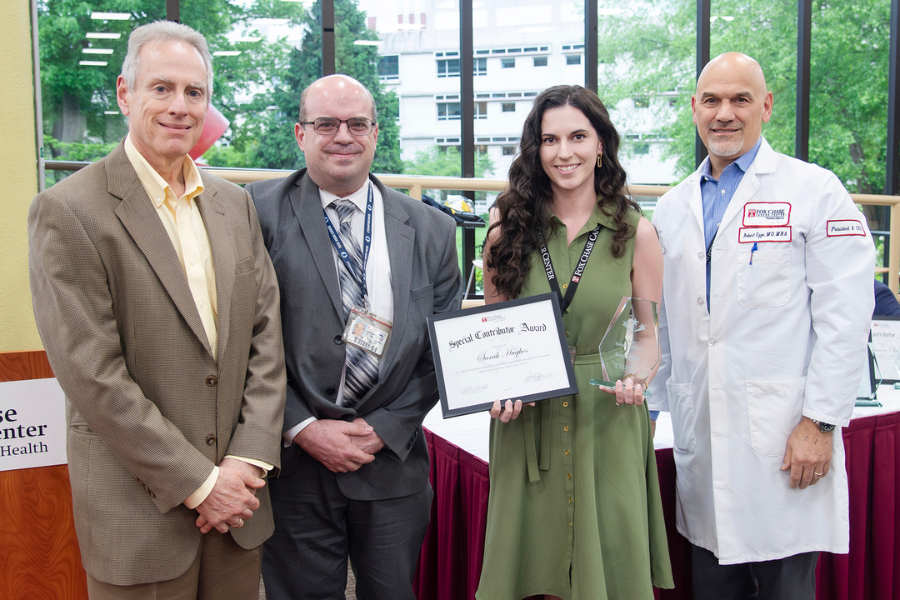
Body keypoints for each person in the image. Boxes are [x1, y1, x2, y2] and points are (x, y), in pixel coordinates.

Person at [28, 21, 286, 600]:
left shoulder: (234, 204)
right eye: (161, 88)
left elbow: (266, 340)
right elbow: (93, 375)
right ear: (125, 93)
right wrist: (200, 483)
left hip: (240, 507)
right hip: (138, 514)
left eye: (194, 92)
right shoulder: (68, 211)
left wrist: (247, 459)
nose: (180, 106)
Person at [649, 52, 875, 600]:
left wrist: (820, 424)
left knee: (786, 586)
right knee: (712, 583)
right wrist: (649, 411)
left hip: (785, 444)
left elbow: (845, 316)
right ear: (695, 111)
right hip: (702, 438)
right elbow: (663, 327)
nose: (725, 113)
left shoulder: (814, 190)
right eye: (712, 101)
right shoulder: (672, 207)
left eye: (740, 99)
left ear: (767, 107)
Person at [246, 74, 463, 600]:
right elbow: (241, 339)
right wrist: (301, 427)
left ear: (375, 132)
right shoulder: (254, 212)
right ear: (301, 134)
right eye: (326, 124)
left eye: (356, 123)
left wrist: (384, 428)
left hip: (390, 461)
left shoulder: (431, 228)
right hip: (294, 464)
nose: (342, 135)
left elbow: (442, 348)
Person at [476, 85, 674, 600]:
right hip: (526, 417)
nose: (564, 152)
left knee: (609, 572)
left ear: (601, 143)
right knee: (528, 570)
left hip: (607, 414)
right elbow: (490, 330)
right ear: (535, 150)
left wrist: (638, 376)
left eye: (578, 136)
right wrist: (494, 389)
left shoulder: (637, 232)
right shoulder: (505, 228)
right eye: (550, 139)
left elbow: (647, 334)